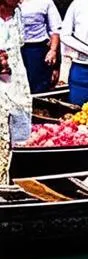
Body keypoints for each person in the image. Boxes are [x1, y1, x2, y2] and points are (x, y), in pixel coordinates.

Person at [0, 0, 32, 186]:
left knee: (20, 136)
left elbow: (19, 46)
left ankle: (15, 183)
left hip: (17, 82)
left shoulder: (18, 14)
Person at [20, 0, 59, 93]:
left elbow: (55, 30)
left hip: (37, 49)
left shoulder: (46, 2)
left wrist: (53, 50)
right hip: (12, 48)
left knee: (37, 88)